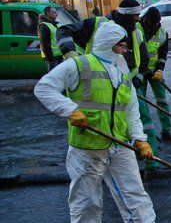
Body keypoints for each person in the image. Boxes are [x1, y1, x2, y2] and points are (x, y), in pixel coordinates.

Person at [34, 21, 156, 223]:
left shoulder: (121, 70)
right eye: (121, 45)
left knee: (135, 194)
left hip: (119, 143)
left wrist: (139, 138)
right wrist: (70, 110)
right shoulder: (79, 65)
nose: (124, 50)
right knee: (87, 202)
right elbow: (44, 88)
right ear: (108, 43)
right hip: (87, 147)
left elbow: (130, 108)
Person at [57, 0, 150, 87]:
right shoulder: (97, 24)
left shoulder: (137, 32)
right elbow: (64, 31)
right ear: (125, 14)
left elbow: (144, 58)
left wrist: (139, 78)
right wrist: (70, 52)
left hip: (128, 83)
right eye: (136, 15)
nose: (139, 19)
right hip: (98, 82)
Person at [136, 7, 171, 173]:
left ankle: (166, 129)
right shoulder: (137, 28)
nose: (153, 25)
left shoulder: (161, 32)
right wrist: (143, 70)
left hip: (154, 73)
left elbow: (163, 53)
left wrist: (160, 70)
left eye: (156, 23)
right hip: (139, 72)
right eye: (151, 22)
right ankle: (143, 135)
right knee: (142, 105)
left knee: (162, 100)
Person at [37, 6, 63, 71]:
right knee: (54, 77)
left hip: (59, 55)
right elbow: (44, 44)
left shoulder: (56, 24)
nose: (56, 14)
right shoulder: (43, 26)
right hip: (52, 57)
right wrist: (51, 59)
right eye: (54, 12)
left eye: (56, 12)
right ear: (48, 13)